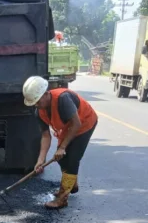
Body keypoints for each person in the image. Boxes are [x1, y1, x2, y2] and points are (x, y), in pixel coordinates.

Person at [22, 76, 97, 210]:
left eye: (37, 101)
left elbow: (76, 123)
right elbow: (45, 136)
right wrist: (40, 160)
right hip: (68, 128)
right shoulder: (39, 112)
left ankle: (62, 199)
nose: (36, 105)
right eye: (33, 103)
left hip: (84, 124)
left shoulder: (63, 99)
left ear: (45, 94)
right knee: (61, 159)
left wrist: (62, 147)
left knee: (72, 159)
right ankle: (71, 183)